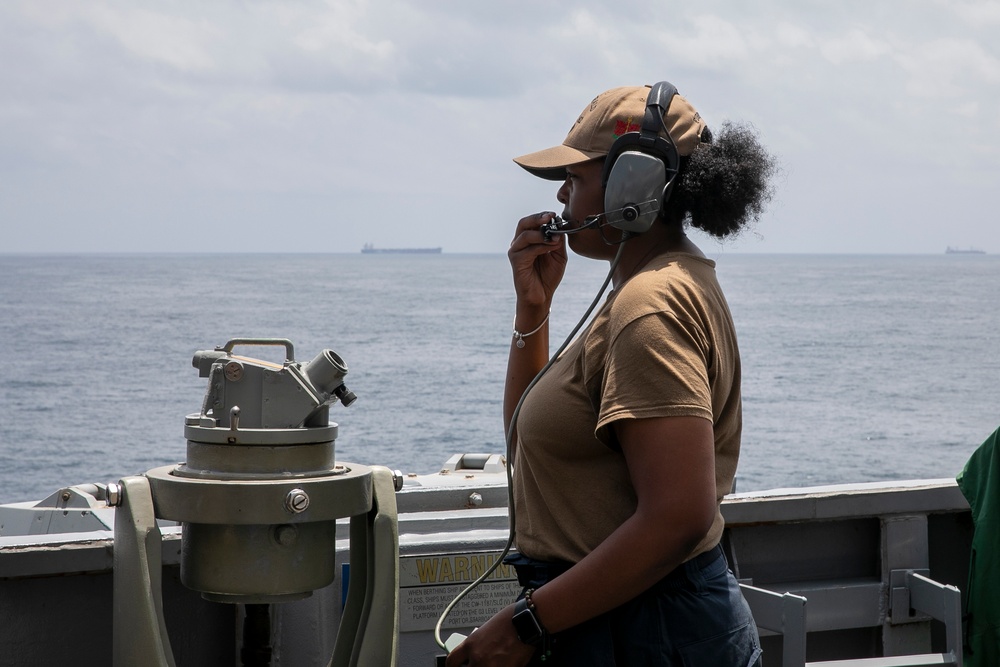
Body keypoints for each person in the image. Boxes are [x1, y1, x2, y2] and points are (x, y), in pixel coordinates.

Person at [447, 82, 776, 666]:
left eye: (574, 178)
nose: (563, 200)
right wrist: (534, 310)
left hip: (647, 630)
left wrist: (520, 629)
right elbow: (528, 435)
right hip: (618, 617)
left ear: (636, 185)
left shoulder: (648, 306)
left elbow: (678, 516)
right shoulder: (650, 284)